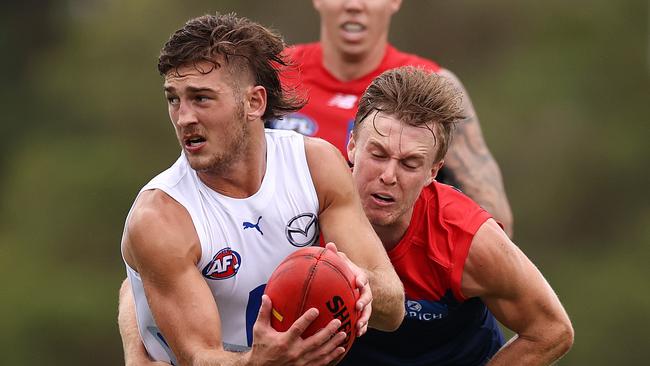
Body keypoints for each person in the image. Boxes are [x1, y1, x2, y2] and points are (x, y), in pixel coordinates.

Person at [119, 13, 405, 366]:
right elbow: (199, 356)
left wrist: (359, 286)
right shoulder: (161, 217)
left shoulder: (316, 165)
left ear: (255, 102)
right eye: (174, 99)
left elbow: (392, 310)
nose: (183, 118)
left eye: (202, 98)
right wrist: (260, 362)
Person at [334, 66, 573, 365]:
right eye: (378, 154)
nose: (389, 175)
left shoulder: (465, 236)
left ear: (433, 172)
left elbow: (551, 330)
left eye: (410, 164)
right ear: (352, 145)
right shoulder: (309, 207)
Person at [267, 0, 514, 237]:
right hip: (286, 258)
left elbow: (493, 215)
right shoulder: (271, 75)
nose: (354, 5)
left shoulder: (434, 86)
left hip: (394, 267)